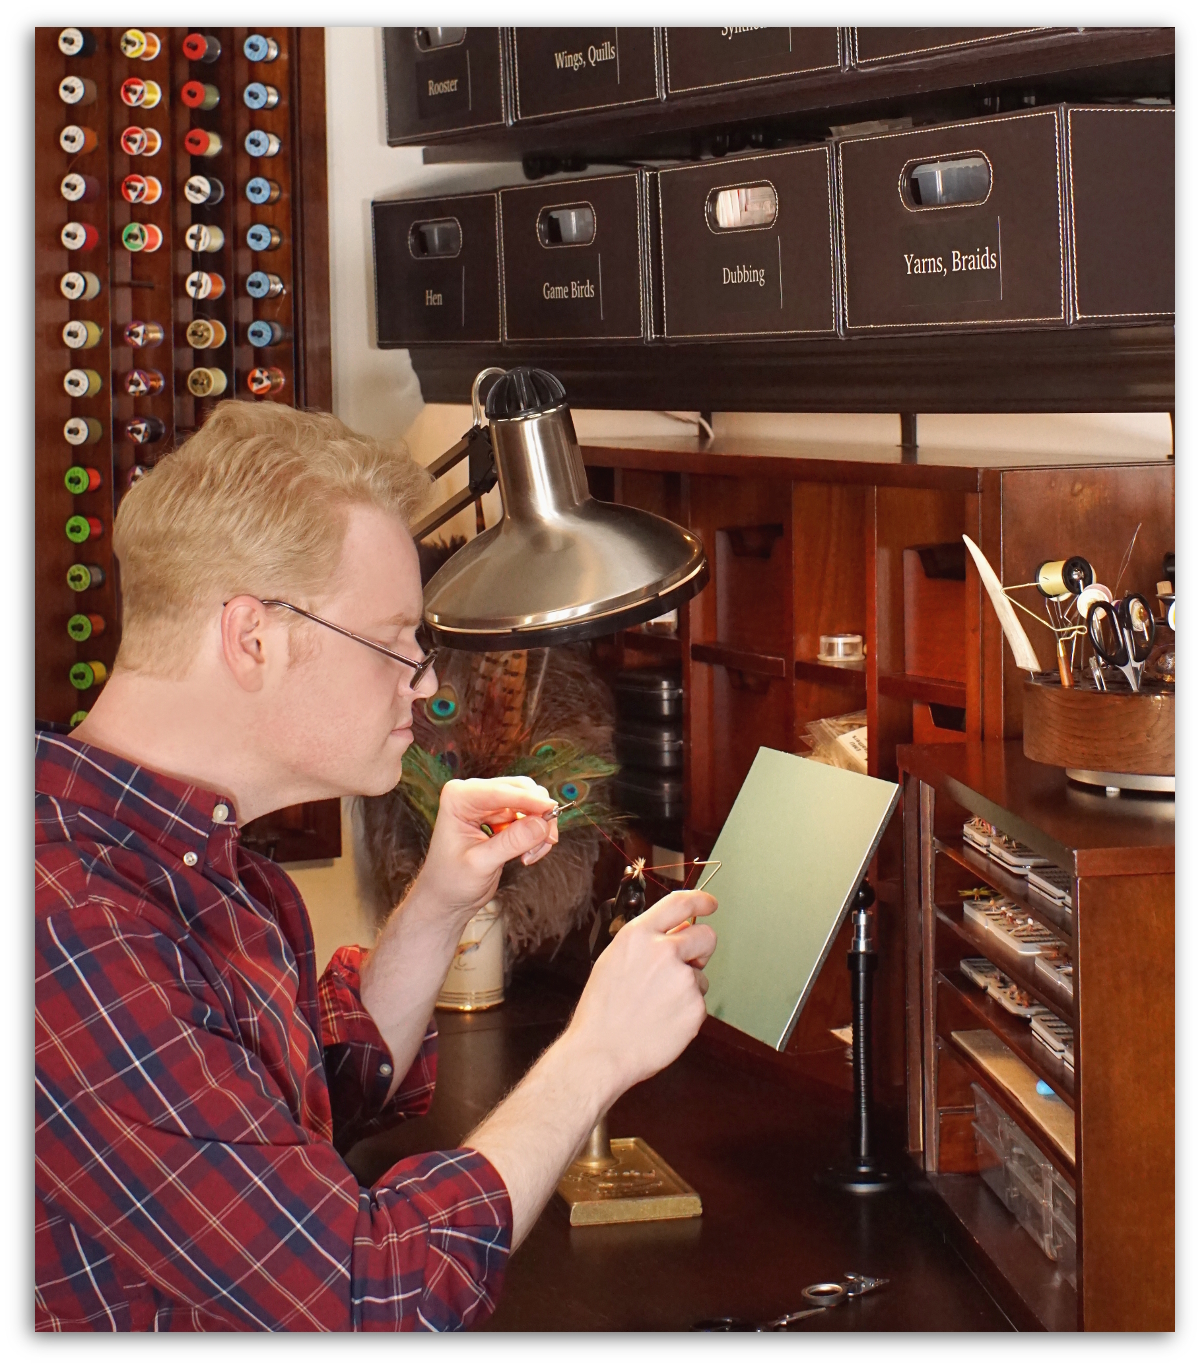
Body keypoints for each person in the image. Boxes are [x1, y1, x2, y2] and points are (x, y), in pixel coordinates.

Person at [35, 401, 717, 1332]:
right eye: (395, 642)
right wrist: (595, 1052)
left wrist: (440, 900)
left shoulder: (195, 862)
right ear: (253, 637)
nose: (427, 680)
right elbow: (365, 1298)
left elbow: (299, 1107)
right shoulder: (65, 923)